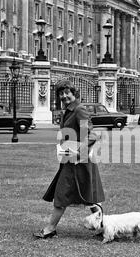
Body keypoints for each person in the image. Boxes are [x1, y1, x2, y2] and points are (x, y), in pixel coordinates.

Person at [35, 80, 105, 239]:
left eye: (67, 92)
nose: (64, 96)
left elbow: (91, 135)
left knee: (63, 193)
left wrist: (79, 153)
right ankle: (103, 227)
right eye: (61, 93)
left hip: (78, 160)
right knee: (89, 195)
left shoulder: (79, 110)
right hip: (70, 159)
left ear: (74, 93)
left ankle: (50, 228)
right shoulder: (68, 110)